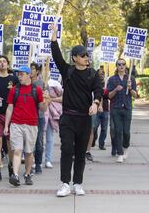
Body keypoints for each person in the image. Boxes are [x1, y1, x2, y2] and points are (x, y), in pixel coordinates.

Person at [51, 27, 103, 197]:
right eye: (83, 55)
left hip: (84, 119)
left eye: (87, 55)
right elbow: (57, 56)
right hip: (68, 117)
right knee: (67, 149)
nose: (87, 58)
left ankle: (78, 183)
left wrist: (95, 103)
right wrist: (53, 37)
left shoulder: (93, 74)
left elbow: (99, 90)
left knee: (81, 152)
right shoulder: (67, 71)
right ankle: (65, 183)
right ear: (74, 58)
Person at [4, 65, 46, 187]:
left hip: (31, 125)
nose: (19, 76)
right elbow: (10, 108)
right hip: (16, 124)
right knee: (17, 150)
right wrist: (7, 125)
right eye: (18, 74)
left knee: (28, 152)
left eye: (22, 74)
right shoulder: (14, 90)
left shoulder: (36, 90)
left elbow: (42, 108)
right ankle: (15, 175)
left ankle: (27, 174)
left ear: (28, 75)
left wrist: (45, 101)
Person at [107, 58, 137, 163]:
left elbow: (135, 95)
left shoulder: (131, 79)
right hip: (116, 108)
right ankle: (120, 153)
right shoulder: (112, 79)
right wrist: (115, 89)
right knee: (118, 131)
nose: (121, 66)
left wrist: (130, 88)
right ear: (116, 66)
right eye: (119, 64)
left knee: (126, 132)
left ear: (125, 66)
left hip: (127, 108)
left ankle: (126, 147)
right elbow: (109, 96)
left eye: (123, 64)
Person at [30, 62, 45, 174]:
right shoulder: (24, 83)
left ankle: (38, 163)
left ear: (37, 71)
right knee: (28, 142)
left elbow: (46, 99)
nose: (31, 71)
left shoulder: (41, 83)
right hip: (27, 116)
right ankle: (29, 164)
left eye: (33, 69)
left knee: (39, 141)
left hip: (39, 116)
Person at [44, 79, 63, 169]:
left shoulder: (55, 85)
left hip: (51, 114)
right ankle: (37, 159)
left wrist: (51, 99)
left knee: (49, 138)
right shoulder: (39, 83)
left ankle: (48, 159)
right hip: (41, 113)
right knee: (37, 139)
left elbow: (63, 98)